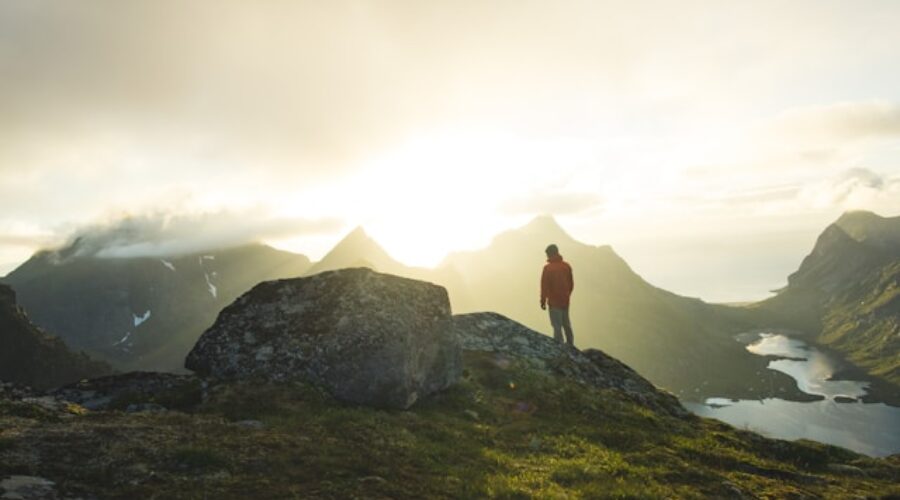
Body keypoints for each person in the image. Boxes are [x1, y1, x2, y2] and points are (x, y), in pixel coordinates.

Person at [540, 244, 574, 346]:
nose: (546, 257)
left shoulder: (548, 268)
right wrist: (567, 295)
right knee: (566, 324)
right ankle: (570, 344)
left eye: (547, 254)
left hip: (554, 302)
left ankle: (559, 347)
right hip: (565, 300)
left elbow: (544, 286)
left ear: (550, 254)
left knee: (557, 326)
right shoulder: (566, 266)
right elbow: (571, 284)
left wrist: (543, 300)